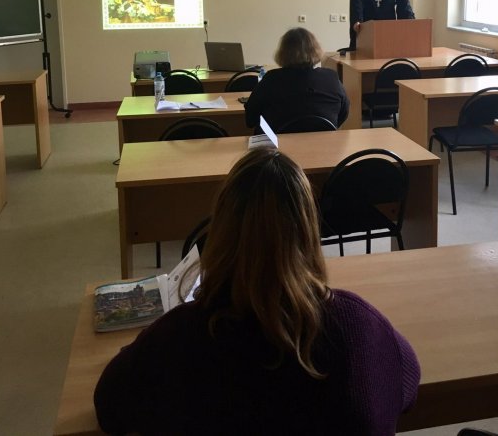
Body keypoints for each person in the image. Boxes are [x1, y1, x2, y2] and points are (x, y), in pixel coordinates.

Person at [94, 147, 420, 436]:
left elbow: (109, 407)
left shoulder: (177, 336)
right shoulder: (358, 327)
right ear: (308, 231)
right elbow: (407, 378)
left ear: (220, 231)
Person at [244, 27, 349, 132]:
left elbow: (250, 119)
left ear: (283, 52)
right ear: (315, 50)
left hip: (279, 142)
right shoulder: (331, 77)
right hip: (325, 141)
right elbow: (343, 113)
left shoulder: (271, 79)